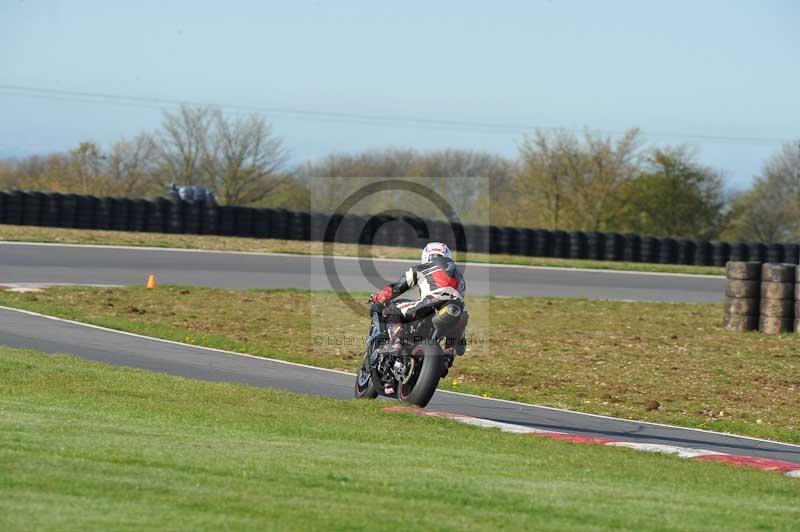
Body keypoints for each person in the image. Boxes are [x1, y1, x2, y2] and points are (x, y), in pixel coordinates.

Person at [369, 242, 468, 394]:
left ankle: (396, 344)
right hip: (457, 312)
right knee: (456, 336)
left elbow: (396, 288)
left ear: (426, 256)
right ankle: (448, 356)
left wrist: (378, 297)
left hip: (429, 304)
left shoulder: (422, 268)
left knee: (392, 310)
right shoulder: (459, 276)